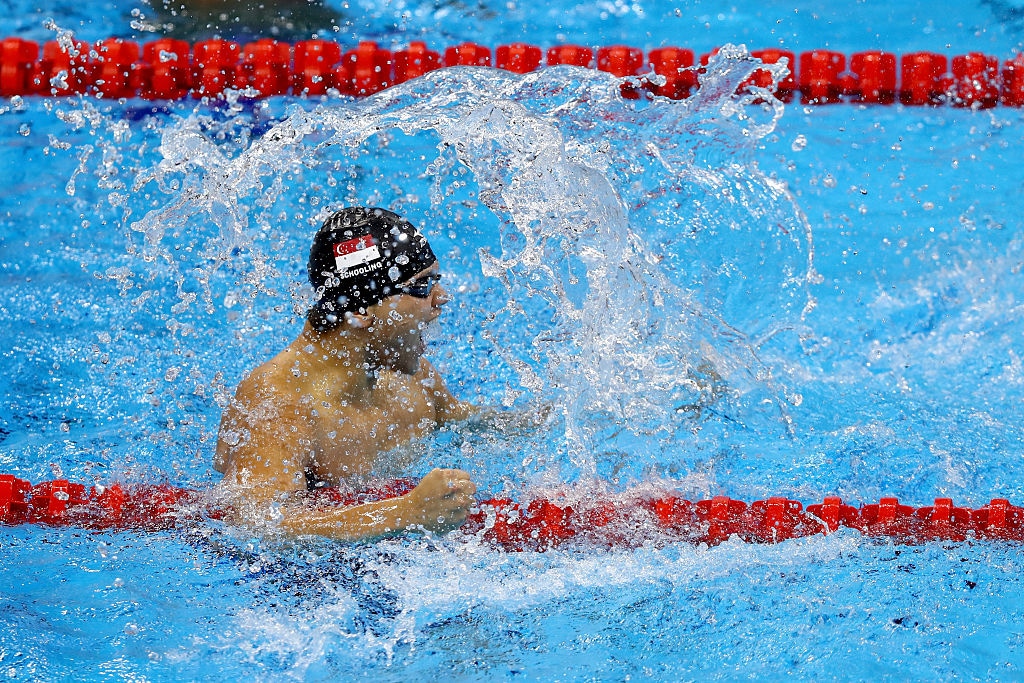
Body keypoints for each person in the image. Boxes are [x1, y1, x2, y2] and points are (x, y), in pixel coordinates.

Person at [214, 207, 480, 541]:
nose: (441, 298)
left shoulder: (409, 376)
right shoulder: (281, 405)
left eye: (436, 281)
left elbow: (470, 423)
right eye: (422, 286)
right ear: (359, 311)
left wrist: (550, 415)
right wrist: (406, 512)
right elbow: (259, 526)